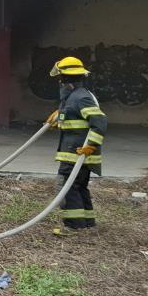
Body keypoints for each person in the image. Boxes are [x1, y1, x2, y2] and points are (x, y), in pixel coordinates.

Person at [45, 56, 107, 231]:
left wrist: (91, 147)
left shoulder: (80, 98)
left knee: (66, 187)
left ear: (65, 79)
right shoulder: (74, 97)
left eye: (60, 78)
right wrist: (61, 117)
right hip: (75, 153)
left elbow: (100, 121)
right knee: (78, 187)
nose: (59, 82)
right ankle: (87, 223)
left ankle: (74, 225)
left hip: (78, 153)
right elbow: (78, 119)